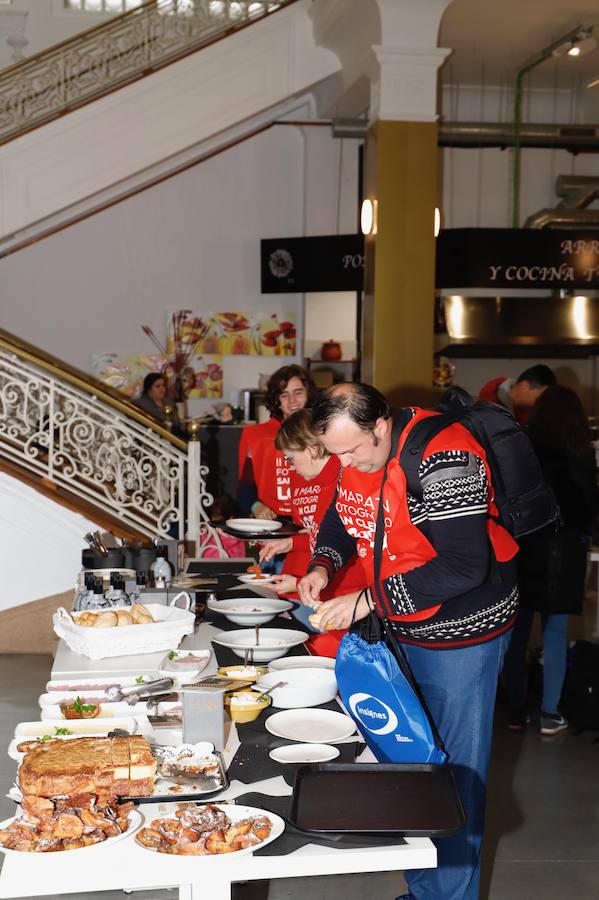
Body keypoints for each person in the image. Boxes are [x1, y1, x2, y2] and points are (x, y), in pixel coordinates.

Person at [297, 383, 519, 900]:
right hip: (407, 627)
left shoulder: (447, 454)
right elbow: (339, 515)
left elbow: (465, 565)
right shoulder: (353, 451)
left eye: (353, 449)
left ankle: (447, 896)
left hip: (463, 636)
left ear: (382, 425)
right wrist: (322, 564)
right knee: (416, 766)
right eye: (336, 452)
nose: (346, 460)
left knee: (455, 780)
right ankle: (425, 890)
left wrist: (367, 600)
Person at [502, 385, 599, 735]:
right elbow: (588, 505)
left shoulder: (524, 446)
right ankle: (550, 712)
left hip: (526, 546)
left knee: (517, 630)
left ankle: (515, 710)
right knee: (555, 632)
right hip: (566, 550)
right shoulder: (581, 453)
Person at [259, 408, 369, 655]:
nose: (289, 466)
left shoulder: (341, 480)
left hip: (344, 607)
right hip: (332, 601)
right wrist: (291, 544)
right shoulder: (323, 479)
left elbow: (354, 560)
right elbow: (319, 537)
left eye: (290, 458)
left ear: (309, 450)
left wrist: (299, 582)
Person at [237, 365, 317, 519]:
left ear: (309, 394)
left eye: (298, 392)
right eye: (284, 395)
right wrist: (256, 507)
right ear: (277, 400)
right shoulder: (257, 435)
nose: (292, 401)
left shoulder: (325, 432)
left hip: (315, 524)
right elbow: (244, 488)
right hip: (273, 522)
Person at [478, 364, 556, 423]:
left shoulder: (534, 417)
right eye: (539, 399)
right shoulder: (488, 405)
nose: (541, 404)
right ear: (524, 386)